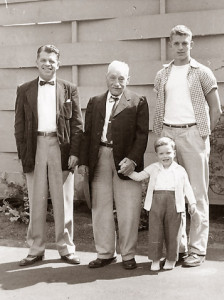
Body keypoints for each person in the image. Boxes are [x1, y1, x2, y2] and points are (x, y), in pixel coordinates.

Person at [153, 25, 222, 267]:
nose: (181, 47)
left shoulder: (202, 72)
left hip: (193, 134)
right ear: (170, 45)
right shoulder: (162, 74)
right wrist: (161, 135)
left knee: (197, 193)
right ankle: (179, 247)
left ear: (191, 44)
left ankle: (197, 249)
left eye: (185, 43)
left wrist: (203, 135)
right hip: (168, 134)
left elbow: (216, 108)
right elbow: (160, 107)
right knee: (173, 194)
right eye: (177, 43)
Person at [14, 45, 83, 266]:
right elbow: (19, 126)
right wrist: (24, 155)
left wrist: (74, 153)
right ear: (36, 62)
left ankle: (66, 248)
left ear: (58, 64)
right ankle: (36, 249)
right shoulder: (24, 89)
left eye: (52, 60)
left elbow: (77, 125)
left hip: (60, 146)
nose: (47, 64)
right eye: (43, 60)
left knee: (64, 200)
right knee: (36, 200)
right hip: (35, 146)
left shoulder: (69, 88)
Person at [79, 60, 149, 269]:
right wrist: (83, 161)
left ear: (128, 79)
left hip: (126, 161)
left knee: (128, 209)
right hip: (99, 156)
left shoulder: (138, 101)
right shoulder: (95, 102)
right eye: (113, 77)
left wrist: (133, 159)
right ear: (106, 78)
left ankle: (128, 254)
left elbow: (142, 135)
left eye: (122, 78)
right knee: (100, 207)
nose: (117, 83)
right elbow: (87, 133)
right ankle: (105, 253)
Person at [127, 137, 199, 271]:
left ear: (174, 153)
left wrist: (192, 203)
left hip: (174, 204)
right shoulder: (154, 168)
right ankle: (155, 259)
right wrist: (127, 171)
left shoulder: (180, 170)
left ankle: (171, 259)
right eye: (161, 153)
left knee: (173, 233)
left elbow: (187, 187)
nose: (165, 156)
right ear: (157, 155)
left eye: (168, 153)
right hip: (156, 203)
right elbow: (139, 176)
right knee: (155, 231)